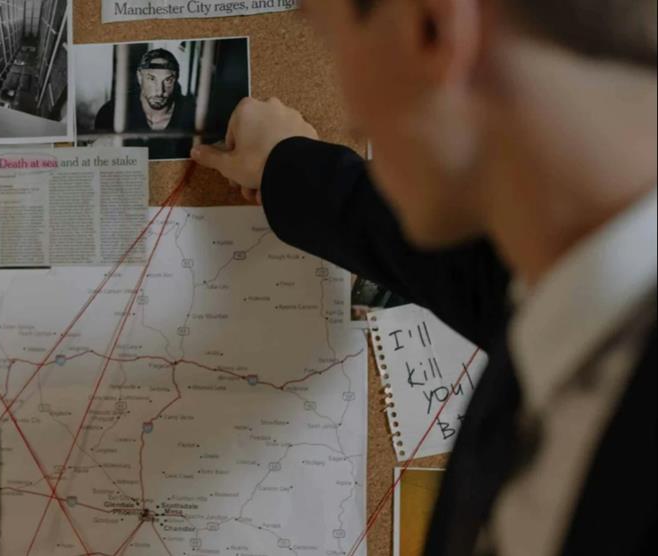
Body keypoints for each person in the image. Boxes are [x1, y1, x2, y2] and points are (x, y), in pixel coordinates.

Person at [191, 1, 655, 554]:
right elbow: (454, 266)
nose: (357, 117)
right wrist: (285, 167)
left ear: (433, 27)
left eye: (331, 40)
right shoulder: (566, 290)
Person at [94, 48, 197, 159]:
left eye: (168, 80)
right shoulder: (112, 112)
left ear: (176, 79)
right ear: (139, 77)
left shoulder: (192, 115)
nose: (159, 91)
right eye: (152, 79)